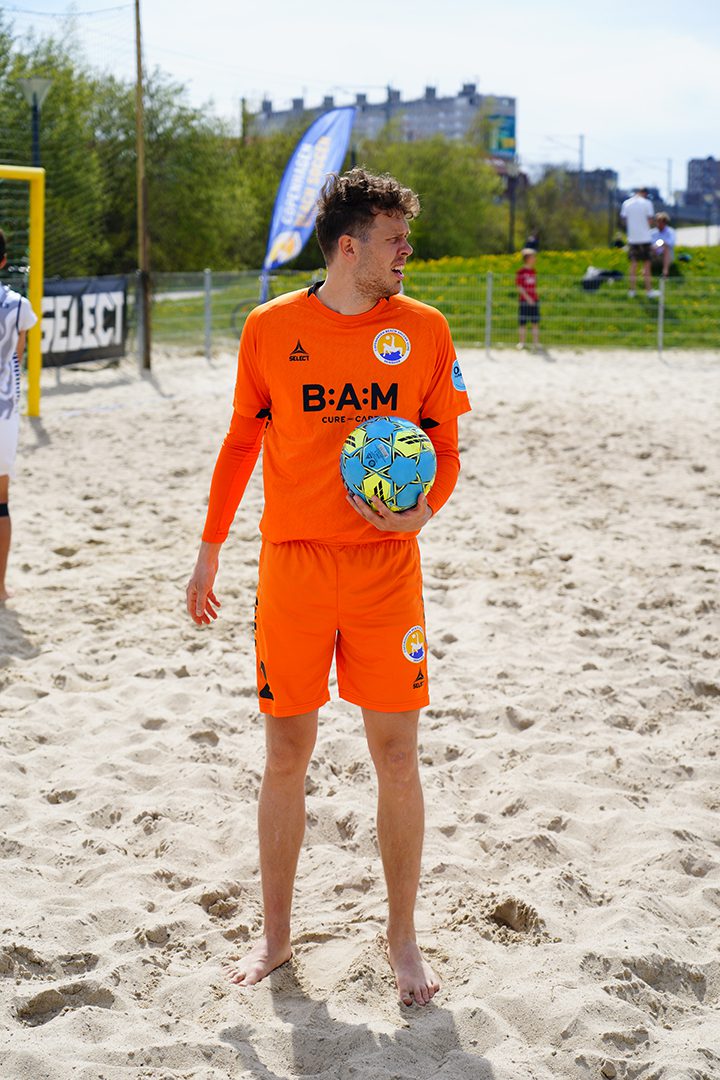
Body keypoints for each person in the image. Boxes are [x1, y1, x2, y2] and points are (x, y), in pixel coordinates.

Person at [185, 168, 471, 1007]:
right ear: (350, 247)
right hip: (295, 568)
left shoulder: (424, 329)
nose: (406, 251)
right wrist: (209, 551)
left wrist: (422, 512)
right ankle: (276, 937)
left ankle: (402, 937)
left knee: (397, 756)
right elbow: (241, 443)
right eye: (394, 240)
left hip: (386, 572)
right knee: (285, 754)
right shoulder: (271, 327)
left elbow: (444, 449)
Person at [0, 229, 38, 602]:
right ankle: (0, 587)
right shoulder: (18, 305)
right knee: (1, 502)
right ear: (3, 261)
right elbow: (17, 360)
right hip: (4, 411)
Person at [620, 186, 659, 298]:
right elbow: (650, 220)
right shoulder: (647, 203)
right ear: (645, 193)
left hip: (632, 238)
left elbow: (624, 220)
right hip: (645, 238)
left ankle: (632, 291)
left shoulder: (626, 203)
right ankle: (649, 291)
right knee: (647, 265)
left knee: (633, 265)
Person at [516, 247, 541, 350]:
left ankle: (536, 343)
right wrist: (528, 298)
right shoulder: (521, 272)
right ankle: (521, 342)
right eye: (533, 257)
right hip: (524, 301)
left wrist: (534, 298)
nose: (535, 259)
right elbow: (519, 287)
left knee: (535, 322)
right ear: (527, 258)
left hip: (534, 300)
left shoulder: (534, 271)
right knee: (523, 322)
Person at [649, 211, 676, 279]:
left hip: (667, 257)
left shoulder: (671, 232)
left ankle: (665, 273)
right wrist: (653, 248)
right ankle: (645, 272)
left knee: (666, 247)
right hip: (654, 256)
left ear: (665, 222)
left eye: (660, 222)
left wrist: (658, 245)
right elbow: (648, 244)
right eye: (657, 221)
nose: (658, 224)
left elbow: (670, 243)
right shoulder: (652, 232)